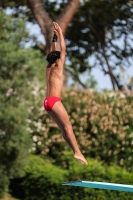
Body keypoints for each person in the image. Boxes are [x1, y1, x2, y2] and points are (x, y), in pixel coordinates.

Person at [44, 22, 88, 165]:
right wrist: (61, 33)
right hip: (55, 101)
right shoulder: (58, 68)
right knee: (68, 126)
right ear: (58, 59)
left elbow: (53, 52)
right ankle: (77, 152)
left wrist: (54, 38)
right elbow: (63, 49)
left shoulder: (49, 68)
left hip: (47, 103)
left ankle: (75, 151)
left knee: (63, 128)